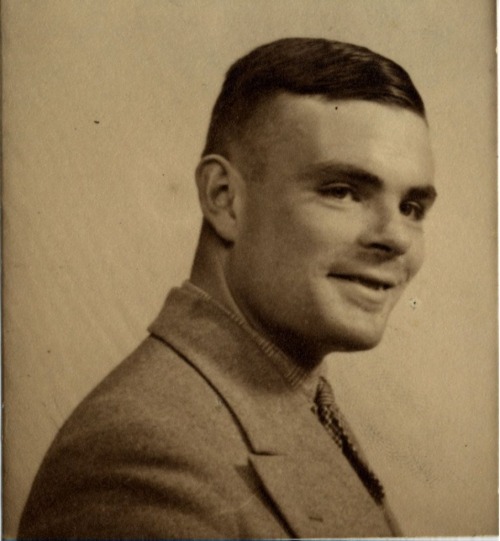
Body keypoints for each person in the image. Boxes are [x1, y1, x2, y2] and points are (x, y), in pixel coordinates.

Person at [18, 37, 436, 539]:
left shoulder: (285, 393)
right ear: (224, 200)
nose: (394, 237)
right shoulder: (142, 459)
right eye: (342, 191)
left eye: (411, 208)